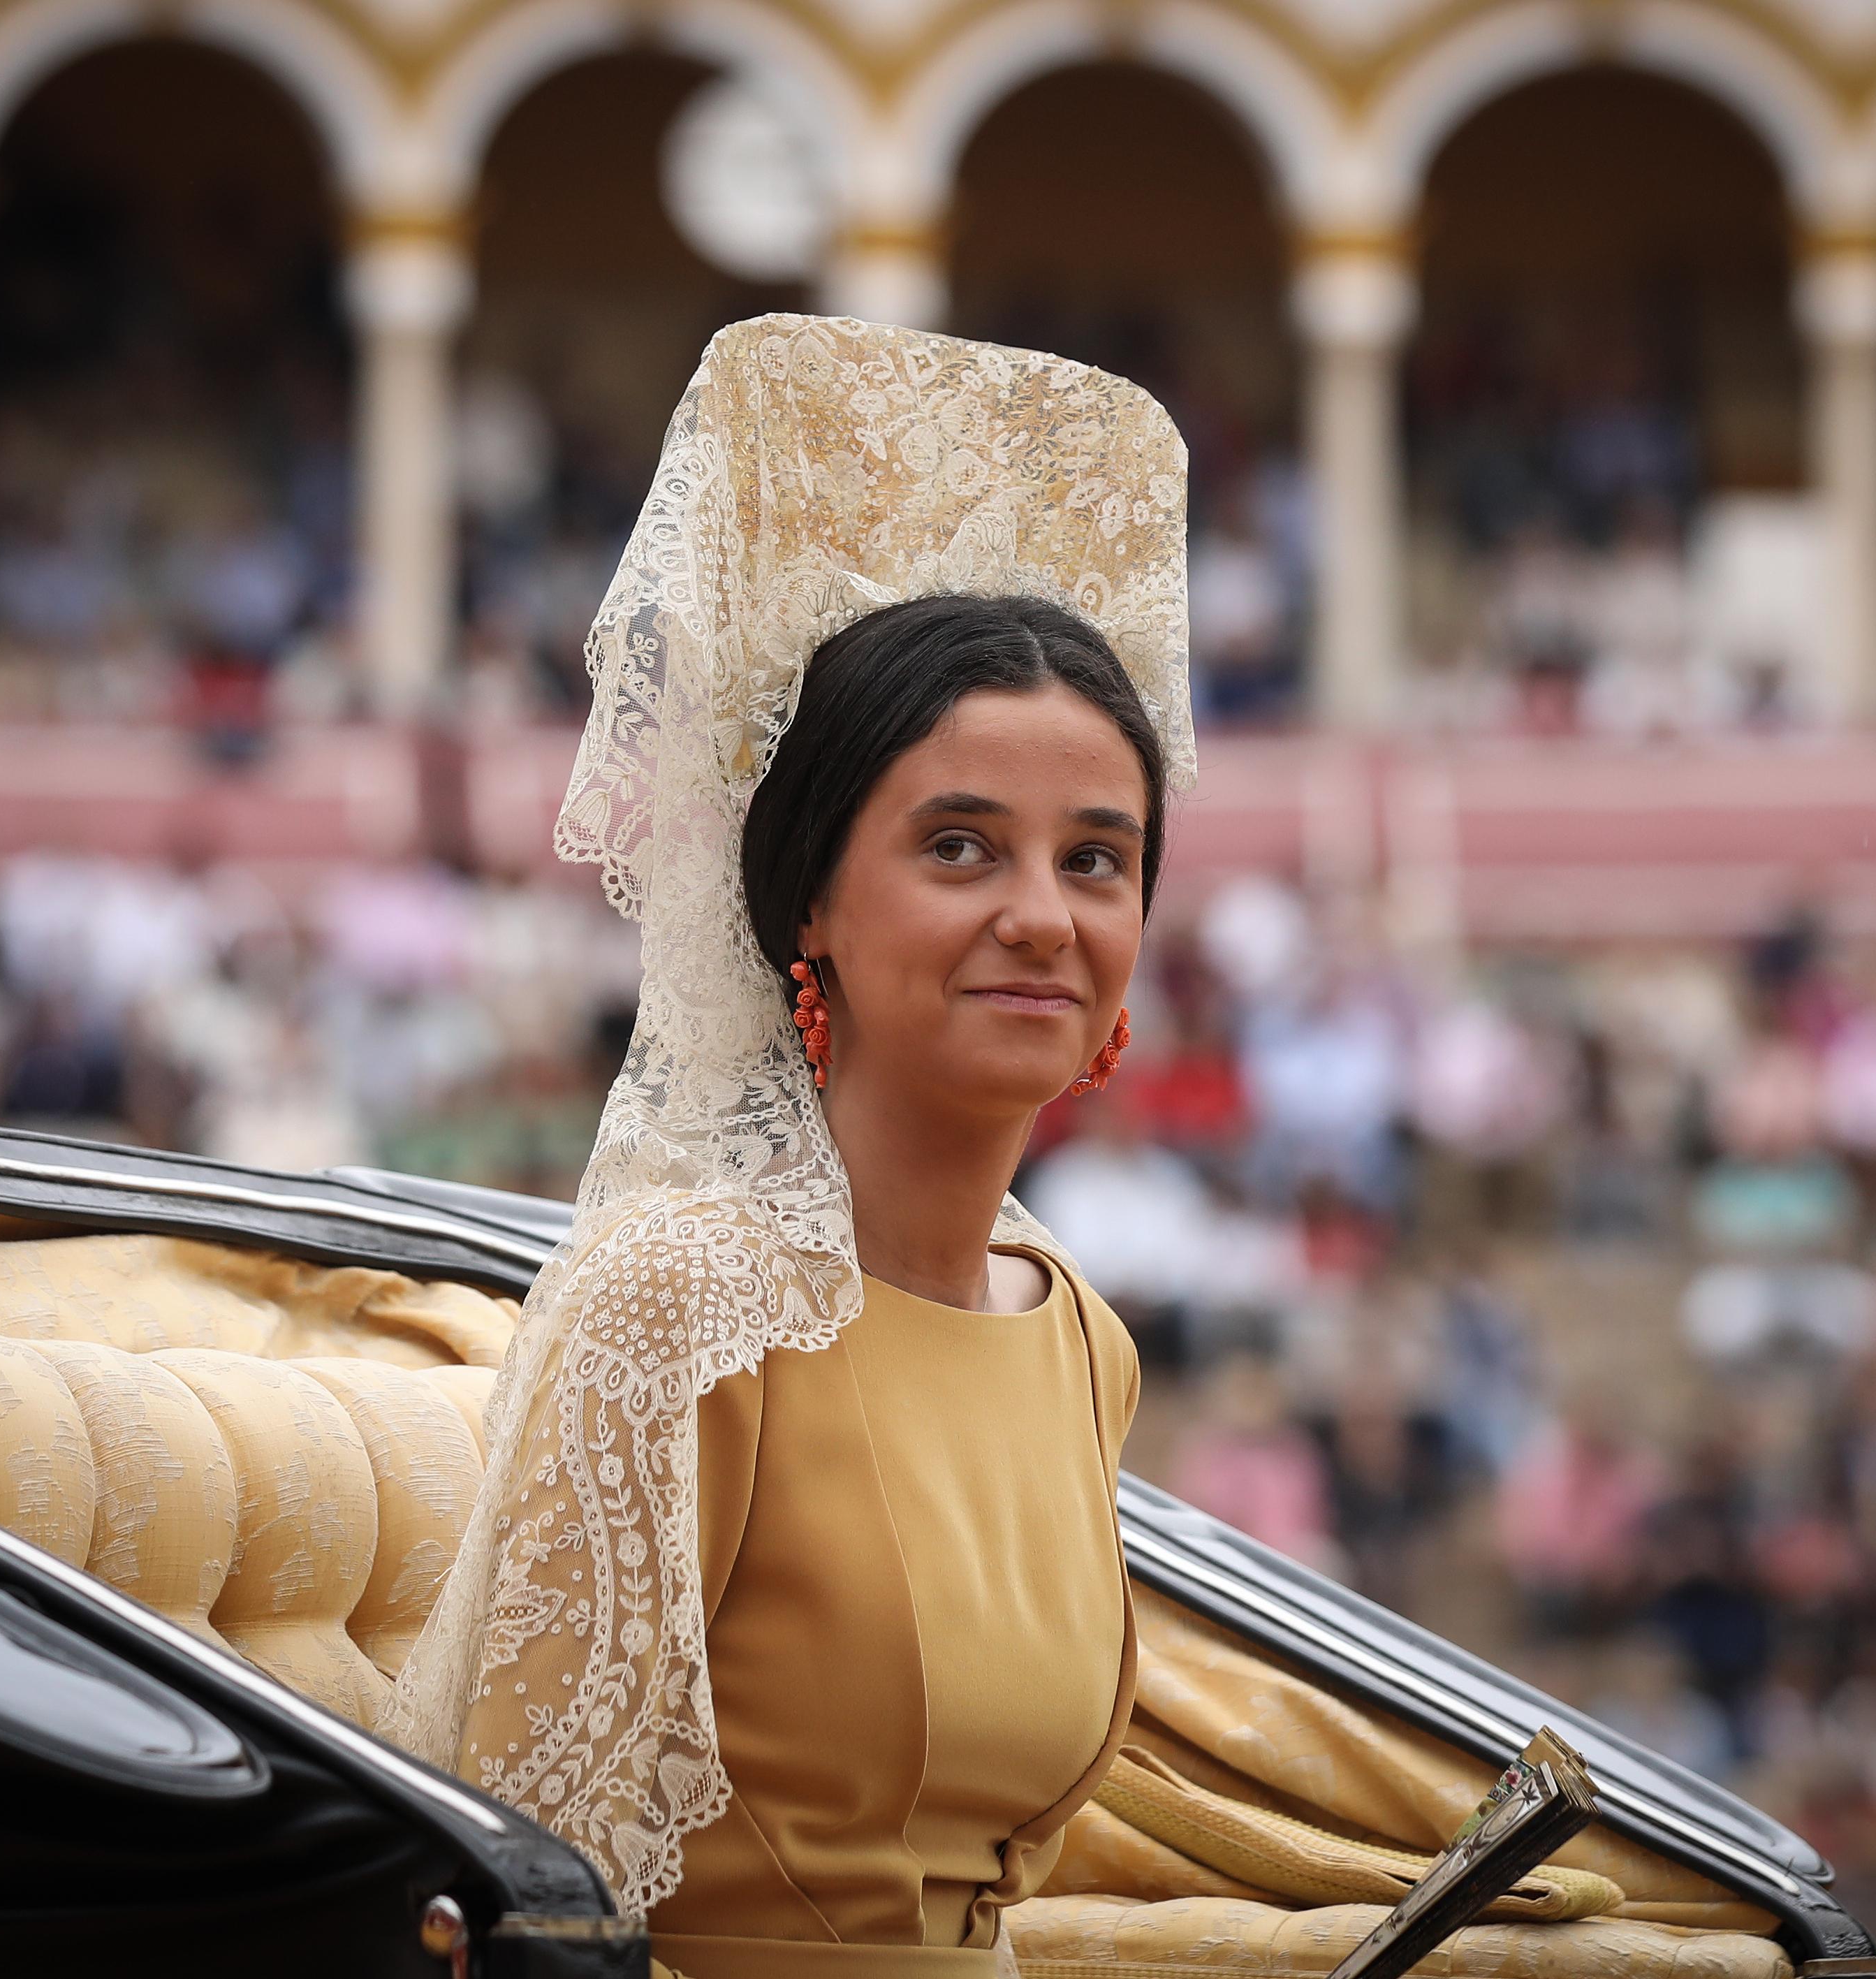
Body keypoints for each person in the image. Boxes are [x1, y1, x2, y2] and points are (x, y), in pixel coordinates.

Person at [385, 316, 1193, 1978]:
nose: (1041, 916)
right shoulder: (674, 1308)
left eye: (1096, 859)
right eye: (960, 846)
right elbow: (525, 1911)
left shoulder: (1076, 1334)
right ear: (806, 899)